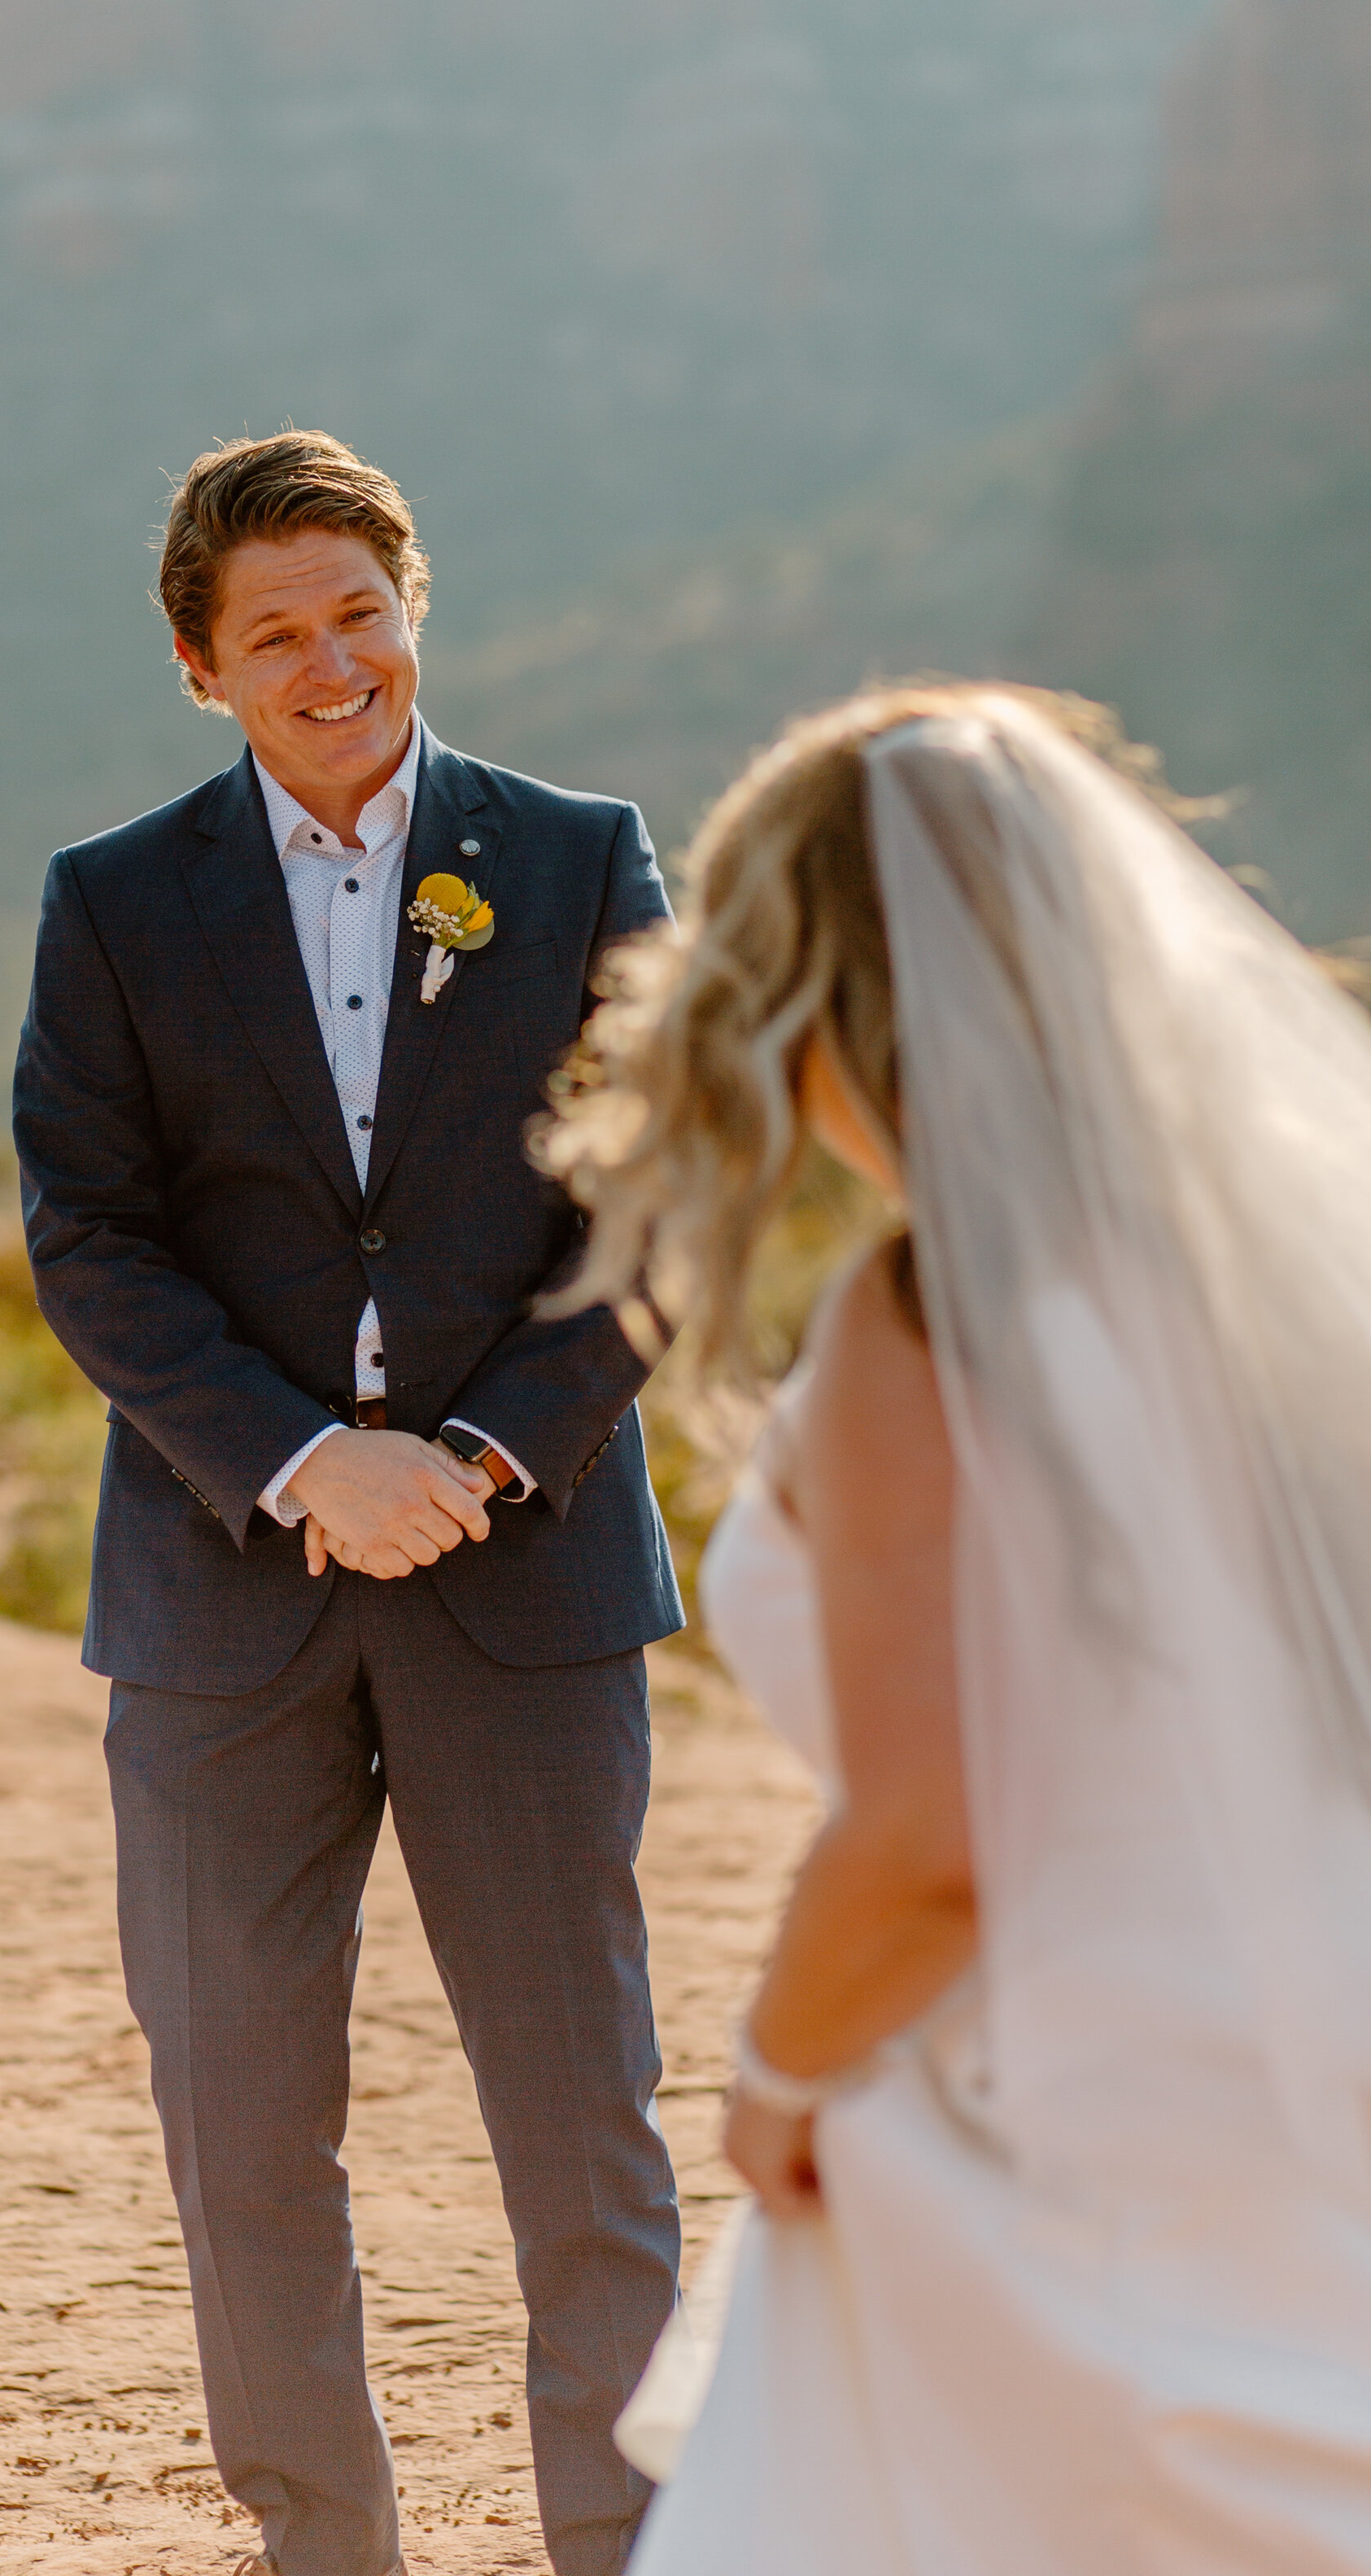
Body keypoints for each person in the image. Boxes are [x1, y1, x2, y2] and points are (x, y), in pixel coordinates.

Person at [539, 677, 1371, 2574]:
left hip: (1046, 2115)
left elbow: (934, 1840)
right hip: (1307, 2048)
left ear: (822, 1003)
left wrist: (770, 2080)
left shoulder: (929, 1324)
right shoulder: (1274, 1294)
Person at [11, 431, 686, 2576]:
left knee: (582, 2119)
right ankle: (326, 2544)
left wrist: (476, 1453)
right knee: (238, 2122)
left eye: (358, 609)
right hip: (225, 1593)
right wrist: (308, 1459)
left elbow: (665, 1198)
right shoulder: (113, 900)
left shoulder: (579, 859)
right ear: (203, 669)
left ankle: (627, 2537)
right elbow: (89, 1231)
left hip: (529, 1566)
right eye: (274, 633)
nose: (331, 662)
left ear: (415, 602)